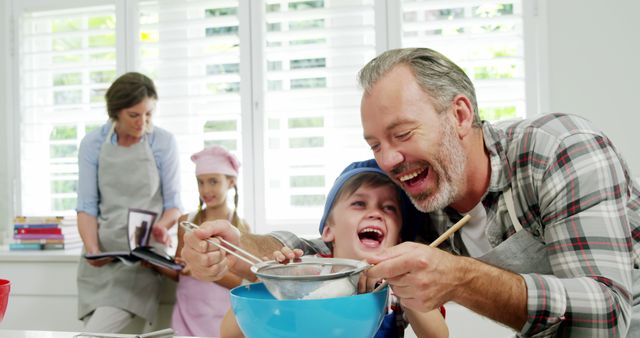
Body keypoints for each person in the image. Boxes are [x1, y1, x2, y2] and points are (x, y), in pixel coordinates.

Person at [182, 48, 640, 337]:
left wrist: (460, 277)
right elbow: (320, 252)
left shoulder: (558, 149)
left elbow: (606, 316)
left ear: (460, 115)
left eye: (401, 134)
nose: (388, 161)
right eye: (375, 144)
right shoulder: (427, 200)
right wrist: (239, 248)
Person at [219, 160, 448, 338]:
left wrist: (402, 277)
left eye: (389, 208)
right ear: (328, 230)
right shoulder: (307, 276)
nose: (376, 212)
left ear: (398, 238)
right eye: (359, 203)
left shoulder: (397, 287)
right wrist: (276, 283)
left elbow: (438, 335)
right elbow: (228, 333)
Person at [76, 72, 182, 333]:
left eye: (148, 114)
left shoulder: (163, 142)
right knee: (95, 332)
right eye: (134, 115)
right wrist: (92, 249)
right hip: (101, 259)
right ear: (116, 113)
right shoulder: (93, 143)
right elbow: (87, 207)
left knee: (93, 335)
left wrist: (162, 226)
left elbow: (174, 205)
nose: (142, 122)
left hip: (141, 259)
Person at [151, 145, 250, 337]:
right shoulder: (186, 222)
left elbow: (240, 282)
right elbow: (180, 271)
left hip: (221, 314)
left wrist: (200, 270)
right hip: (187, 313)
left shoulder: (240, 228)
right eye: (200, 182)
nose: (205, 189)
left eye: (213, 182)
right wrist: (154, 262)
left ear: (231, 182)